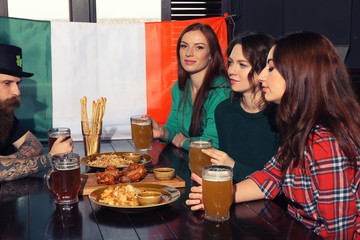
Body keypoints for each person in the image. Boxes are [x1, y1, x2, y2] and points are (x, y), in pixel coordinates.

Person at [186, 31, 360, 239]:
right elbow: (271, 177)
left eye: (270, 68)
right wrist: (222, 196)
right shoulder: (300, 128)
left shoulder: (324, 143)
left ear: (297, 73)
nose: (261, 76)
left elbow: (339, 232)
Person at [202, 32, 280, 183]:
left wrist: (233, 166)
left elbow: (278, 184)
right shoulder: (224, 110)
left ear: (264, 69)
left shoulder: (281, 117)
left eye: (242, 65)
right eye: (230, 63)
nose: (231, 71)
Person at [152, 23, 231, 151]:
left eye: (199, 47)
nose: (189, 53)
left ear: (211, 55)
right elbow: (174, 128)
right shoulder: (179, 87)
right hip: (191, 161)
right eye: (184, 46)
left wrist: (184, 142)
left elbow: (213, 143)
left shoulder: (221, 90)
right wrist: (162, 132)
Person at [0, 43, 73, 182]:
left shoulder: (3, 113)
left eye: (18, 83)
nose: (17, 91)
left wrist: (9, 160)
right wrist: (50, 157)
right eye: (7, 83)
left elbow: (33, 144)